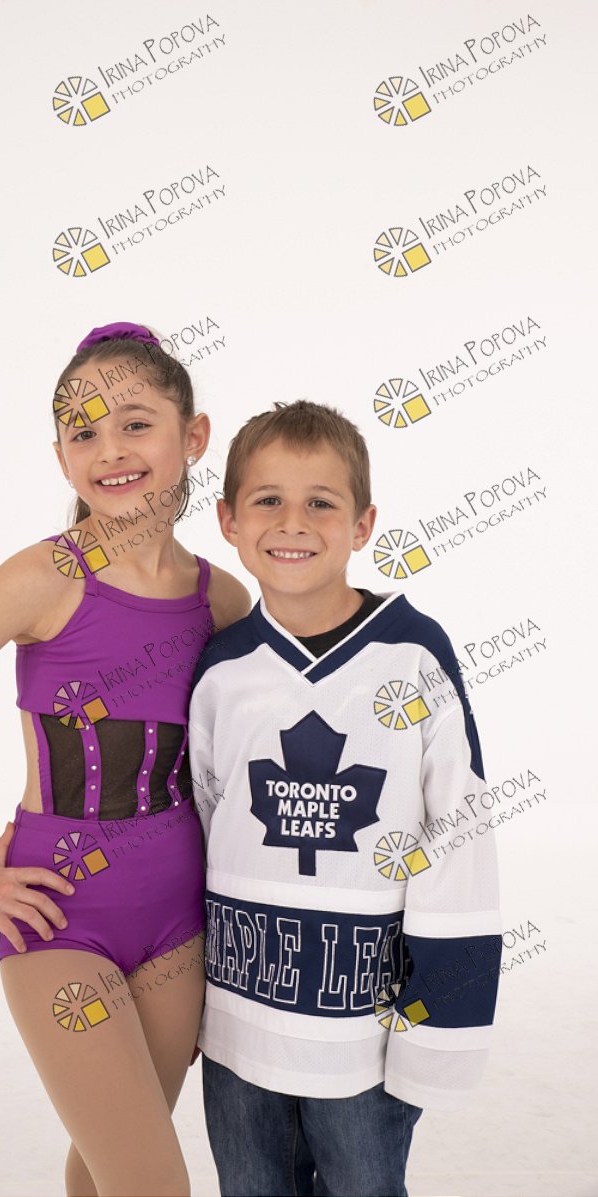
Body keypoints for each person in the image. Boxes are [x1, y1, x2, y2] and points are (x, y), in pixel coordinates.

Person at [0, 321, 251, 1197]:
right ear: (61, 457)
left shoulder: (223, 599)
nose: (110, 449)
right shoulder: (43, 578)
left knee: (108, 1163)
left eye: (135, 423)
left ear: (193, 436)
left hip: (180, 924)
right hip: (56, 917)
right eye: (83, 431)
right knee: (154, 1183)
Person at [188, 399, 502, 1197]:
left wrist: (440, 1024)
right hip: (239, 1028)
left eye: (321, 502)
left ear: (363, 525)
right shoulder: (222, 668)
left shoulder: (413, 654)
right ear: (227, 521)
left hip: (365, 1037)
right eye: (268, 499)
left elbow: (459, 834)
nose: (293, 521)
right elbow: (203, 824)